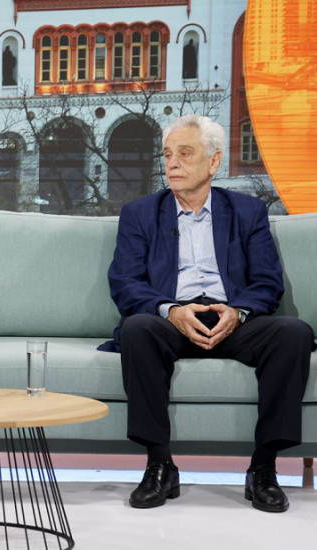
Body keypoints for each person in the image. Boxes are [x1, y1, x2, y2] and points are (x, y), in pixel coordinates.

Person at [101, 114, 313, 513]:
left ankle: (263, 468)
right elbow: (125, 282)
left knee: (294, 332)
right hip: (170, 322)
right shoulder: (140, 213)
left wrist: (238, 312)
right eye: (167, 154)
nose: (172, 163)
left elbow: (267, 282)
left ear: (214, 161)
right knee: (137, 328)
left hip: (233, 320)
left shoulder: (247, 211)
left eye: (185, 153)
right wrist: (172, 311)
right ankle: (159, 465)